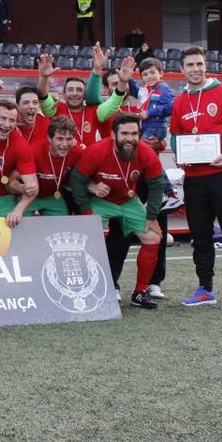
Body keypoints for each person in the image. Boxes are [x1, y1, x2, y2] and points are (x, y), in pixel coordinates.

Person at [171, 46, 222, 311]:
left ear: (205, 66)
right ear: (182, 70)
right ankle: (205, 288)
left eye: (199, 64)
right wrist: (179, 154)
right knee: (200, 236)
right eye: (190, 65)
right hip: (194, 179)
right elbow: (175, 136)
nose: (195, 69)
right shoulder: (179, 101)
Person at [71, 113, 165, 309]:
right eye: (124, 134)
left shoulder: (146, 153)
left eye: (134, 133)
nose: (130, 138)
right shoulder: (96, 151)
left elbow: (157, 184)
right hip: (101, 201)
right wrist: (87, 213)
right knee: (86, 238)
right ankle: (85, 290)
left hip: (129, 201)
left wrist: (152, 216)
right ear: (113, 135)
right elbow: (77, 180)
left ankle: (139, 293)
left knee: (153, 237)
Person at [26, 115, 83, 217]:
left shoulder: (77, 152)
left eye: (69, 139)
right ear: (49, 138)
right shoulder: (34, 150)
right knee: (18, 224)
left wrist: (96, 187)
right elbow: (13, 178)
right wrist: (22, 188)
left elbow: (86, 176)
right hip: (29, 196)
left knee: (61, 225)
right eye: (60, 139)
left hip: (53, 196)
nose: (65, 144)